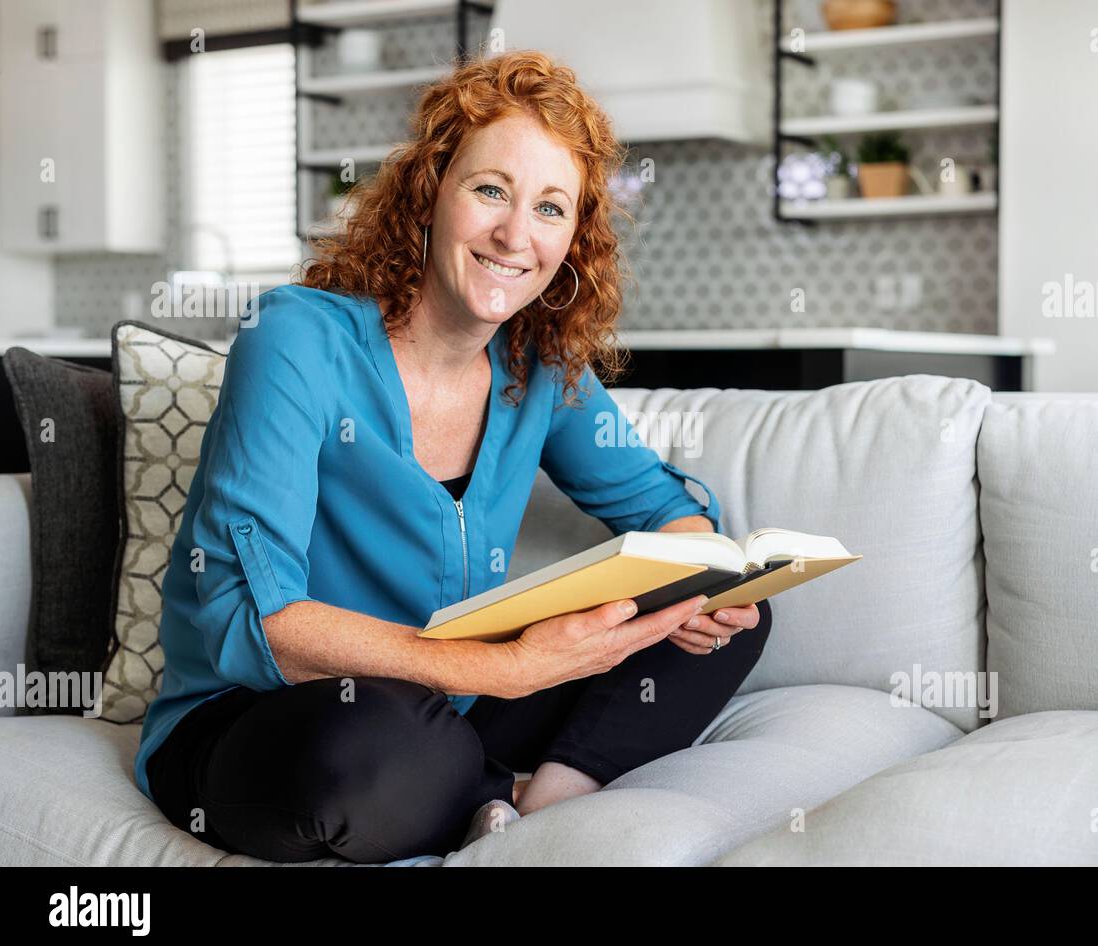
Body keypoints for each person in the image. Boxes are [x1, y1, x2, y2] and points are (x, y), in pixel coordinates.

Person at [134, 50, 772, 863]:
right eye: (490, 190)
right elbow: (250, 617)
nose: (515, 234)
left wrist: (704, 579)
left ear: (574, 240)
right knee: (374, 751)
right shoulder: (297, 338)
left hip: (456, 702)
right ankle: (481, 788)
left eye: (550, 208)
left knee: (733, 611)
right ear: (429, 191)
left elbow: (659, 507)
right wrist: (502, 670)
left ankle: (536, 803)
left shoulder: (539, 366)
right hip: (270, 711)